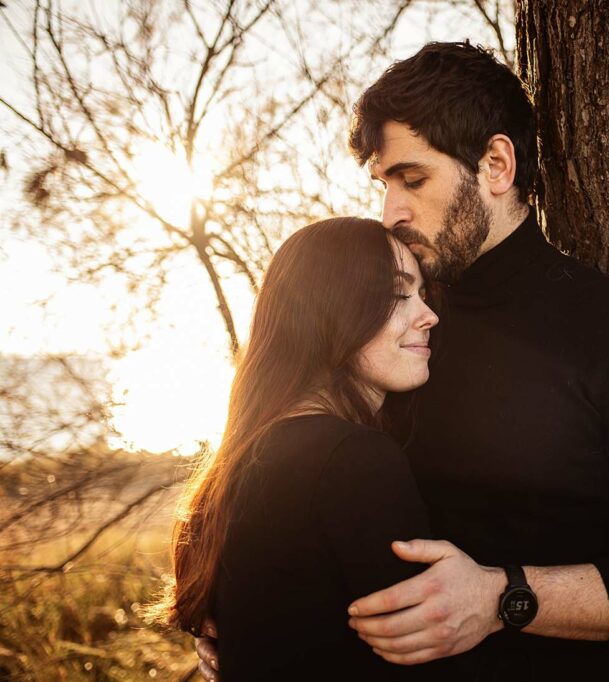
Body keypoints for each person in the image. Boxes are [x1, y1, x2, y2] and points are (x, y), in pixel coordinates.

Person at [196, 42, 609, 681]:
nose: (391, 212)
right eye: (384, 185)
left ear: (495, 164)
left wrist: (501, 597)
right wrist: (252, 607)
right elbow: (289, 450)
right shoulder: (392, 327)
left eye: (413, 179)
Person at [153, 217, 462, 679]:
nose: (428, 315)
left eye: (422, 295)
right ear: (331, 309)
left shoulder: (243, 459)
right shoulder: (354, 461)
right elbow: (426, 663)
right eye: (400, 294)